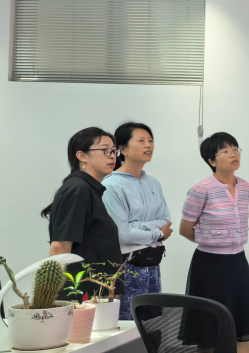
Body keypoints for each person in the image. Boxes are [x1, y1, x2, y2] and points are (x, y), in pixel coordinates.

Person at [180, 132, 249, 353]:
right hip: (209, 265)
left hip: (238, 261)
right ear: (212, 160)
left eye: (236, 149)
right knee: (208, 325)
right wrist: (213, 240)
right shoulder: (201, 189)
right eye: (226, 151)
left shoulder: (245, 187)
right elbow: (185, 229)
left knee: (244, 323)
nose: (234, 154)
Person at [43, 128, 125, 300]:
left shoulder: (89, 189)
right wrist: (52, 300)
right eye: (105, 150)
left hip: (98, 293)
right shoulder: (78, 189)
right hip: (81, 296)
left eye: (113, 151)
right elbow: (60, 247)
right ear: (82, 156)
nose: (112, 156)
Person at [103, 122, 173, 321]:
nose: (148, 145)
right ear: (122, 149)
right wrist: (158, 233)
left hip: (153, 264)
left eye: (150, 140)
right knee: (127, 324)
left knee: (152, 324)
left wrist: (137, 227)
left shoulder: (153, 182)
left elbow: (166, 220)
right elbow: (123, 234)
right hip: (127, 267)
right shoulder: (111, 184)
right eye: (141, 140)